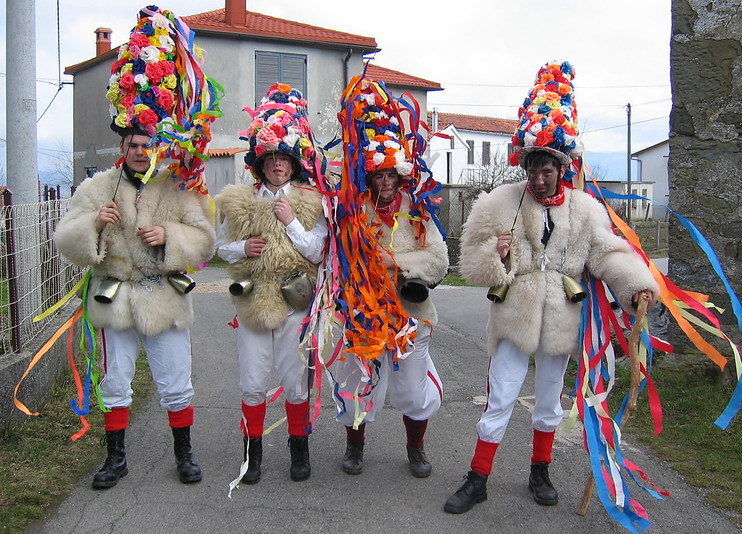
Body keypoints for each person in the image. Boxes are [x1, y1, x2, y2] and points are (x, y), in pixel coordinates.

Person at [444, 61, 659, 513]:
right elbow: (472, 263)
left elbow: (609, 254)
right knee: (500, 395)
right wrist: (497, 255)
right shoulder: (499, 202)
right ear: (524, 164)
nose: (539, 178)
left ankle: (539, 472)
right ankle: (478, 476)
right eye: (533, 168)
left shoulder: (585, 209)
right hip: (513, 317)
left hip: (562, 319)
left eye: (548, 169)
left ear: (563, 166)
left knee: (549, 400)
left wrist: (637, 286)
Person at [54, 7, 218, 490]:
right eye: (132, 143)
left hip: (165, 296)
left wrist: (172, 238)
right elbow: (67, 240)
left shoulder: (178, 186)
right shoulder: (97, 187)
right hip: (115, 297)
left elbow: (205, 241)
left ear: (158, 146)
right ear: (122, 145)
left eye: (147, 143)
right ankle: (115, 458)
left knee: (174, 381)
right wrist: (94, 226)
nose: (140, 151)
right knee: (114, 382)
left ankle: (184, 455)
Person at [332, 77, 448, 478]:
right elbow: (339, 257)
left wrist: (393, 261)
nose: (384, 183)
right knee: (360, 387)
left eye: (391, 177)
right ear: (368, 176)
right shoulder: (352, 211)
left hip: (411, 316)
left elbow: (438, 260)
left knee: (412, 392)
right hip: (362, 318)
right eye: (377, 176)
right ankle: (354, 448)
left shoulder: (418, 212)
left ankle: (415, 450)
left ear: (402, 177)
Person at [215, 84, 327, 484]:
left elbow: (317, 252)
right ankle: (253, 456)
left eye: (285, 157)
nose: (278, 164)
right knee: (251, 380)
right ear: (259, 162)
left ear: (294, 162)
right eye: (271, 158)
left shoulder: (313, 201)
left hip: (295, 301)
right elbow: (220, 246)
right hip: (252, 301)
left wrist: (290, 222)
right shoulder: (238, 200)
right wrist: (242, 246)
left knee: (295, 380)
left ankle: (300, 452)